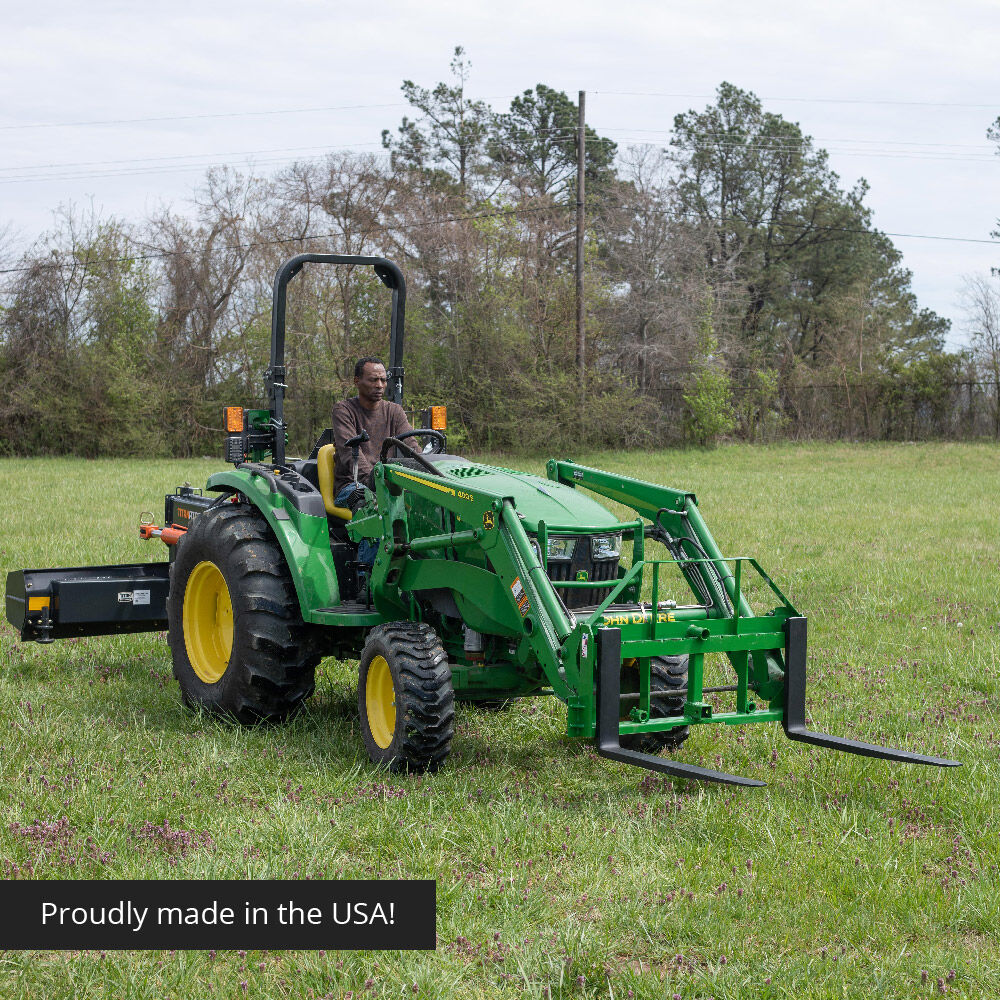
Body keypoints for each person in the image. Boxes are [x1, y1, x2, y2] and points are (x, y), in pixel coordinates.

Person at [331, 357, 413, 563]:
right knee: (374, 507)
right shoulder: (344, 410)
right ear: (357, 381)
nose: (380, 385)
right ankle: (367, 576)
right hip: (354, 484)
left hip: (389, 481)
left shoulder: (394, 411)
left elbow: (412, 447)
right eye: (373, 380)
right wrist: (375, 482)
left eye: (383, 380)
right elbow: (350, 452)